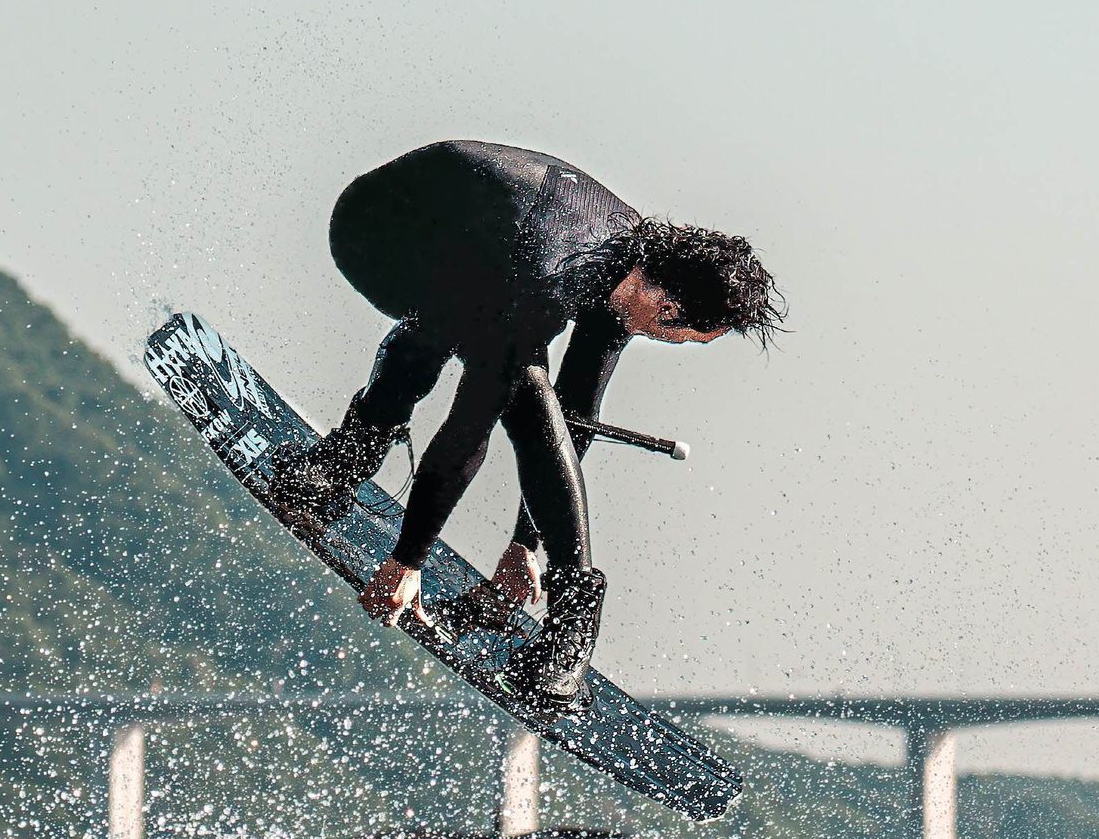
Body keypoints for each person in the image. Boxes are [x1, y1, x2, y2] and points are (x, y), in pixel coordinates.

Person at [270, 139, 784, 708]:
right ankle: (345, 465)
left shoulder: (626, 271)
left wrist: (525, 546)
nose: (665, 342)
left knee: (518, 377)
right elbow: (467, 431)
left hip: (476, 252)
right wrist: (407, 561)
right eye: (678, 338)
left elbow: (577, 416)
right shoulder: (547, 277)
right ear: (668, 309)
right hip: (378, 232)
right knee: (511, 375)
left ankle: (338, 469)